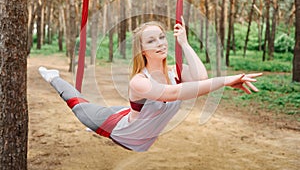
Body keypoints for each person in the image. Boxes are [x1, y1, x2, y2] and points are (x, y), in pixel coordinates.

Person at [39, 17, 262, 152]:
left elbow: (201, 79)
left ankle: (99, 117)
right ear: (142, 49)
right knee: (78, 104)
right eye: (151, 40)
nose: (160, 43)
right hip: (123, 131)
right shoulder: (139, 81)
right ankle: (53, 76)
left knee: (121, 110)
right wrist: (226, 80)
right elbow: (174, 93)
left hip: (136, 124)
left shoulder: (175, 72)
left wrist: (183, 42)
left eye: (162, 37)